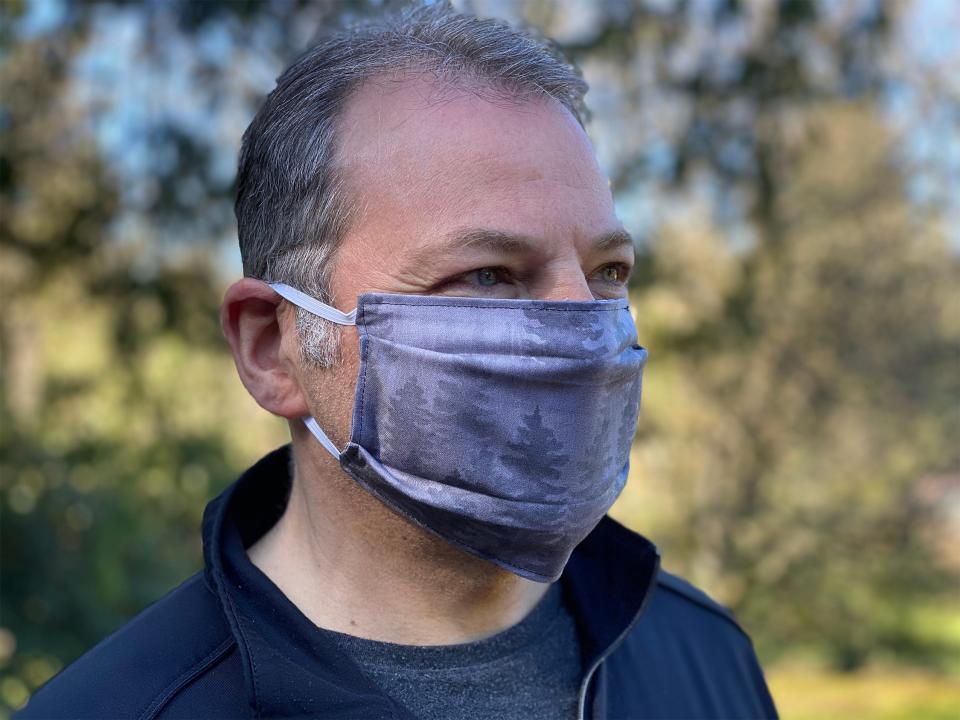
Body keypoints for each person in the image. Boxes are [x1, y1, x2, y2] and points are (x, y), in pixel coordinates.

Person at [19, 4, 777, 719]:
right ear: (272, 348)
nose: (584, 325)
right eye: (488, 274)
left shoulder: (702, 653)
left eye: (609, 272)